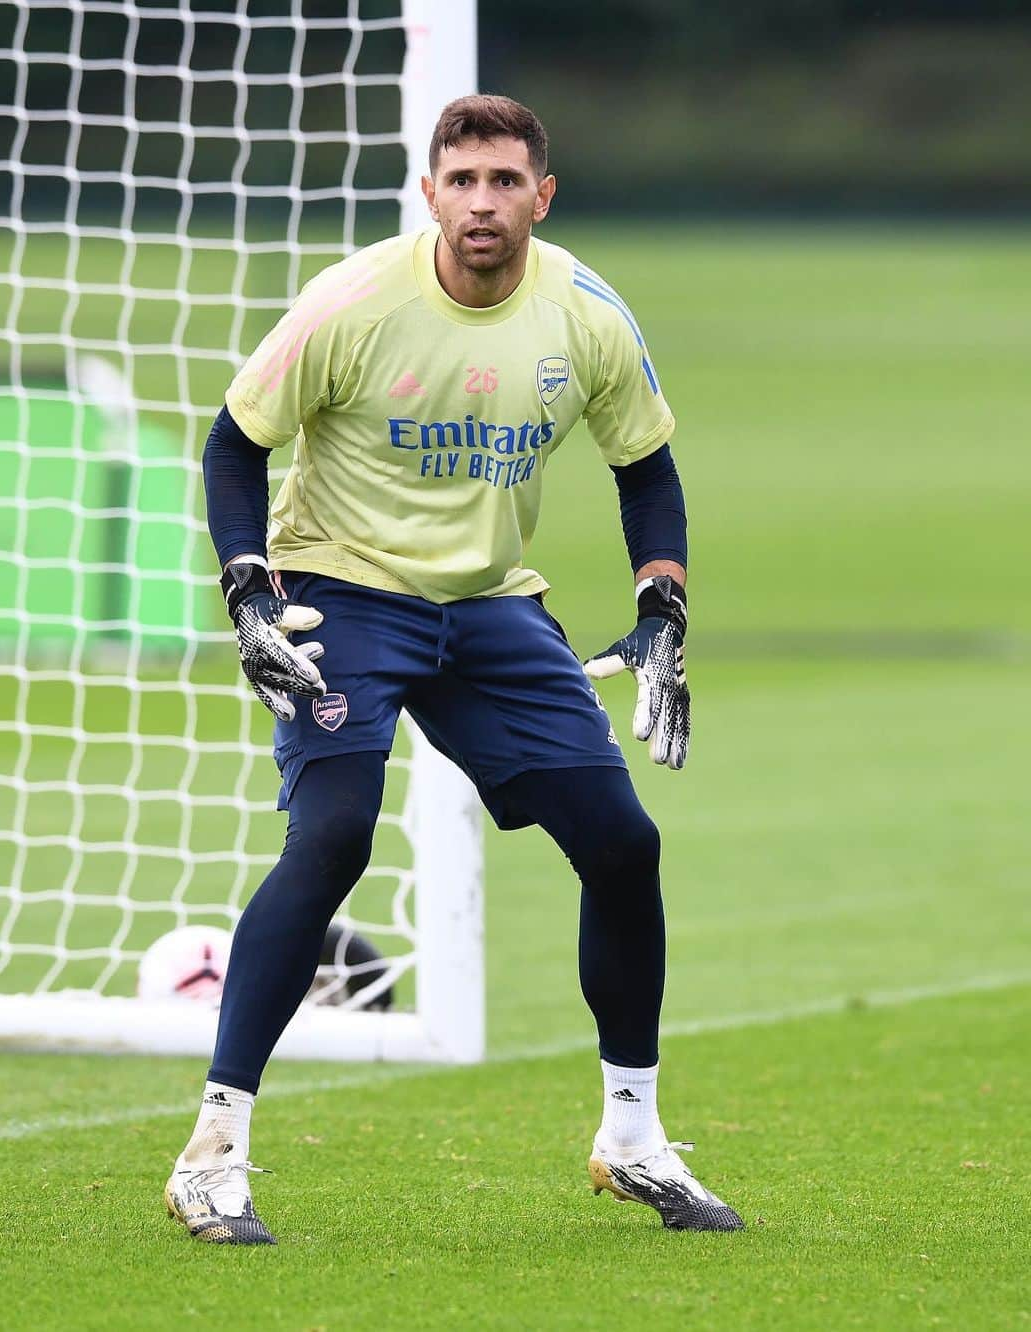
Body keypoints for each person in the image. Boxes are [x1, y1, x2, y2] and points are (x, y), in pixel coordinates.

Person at [164, 94, 744, 1244]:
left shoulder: (583, 312)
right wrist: (247, 590)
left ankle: (632, 1138)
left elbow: (647, 467)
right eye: (464, 181)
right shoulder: (355, 303)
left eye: (506, 182)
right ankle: (212, 1153)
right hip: (338, 587)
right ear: (430, 193)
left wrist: (661, 601)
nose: (485, 203)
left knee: (624, 845)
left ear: (543, 195)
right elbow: (236, 446)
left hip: (487, 602)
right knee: (331, 838)